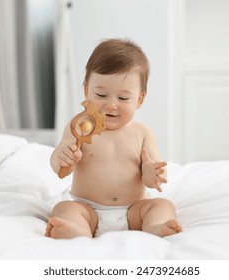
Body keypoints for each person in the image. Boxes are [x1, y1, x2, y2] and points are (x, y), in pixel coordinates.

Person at [45, 38, 182, 239]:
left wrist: (151, 174)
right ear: (86, 90)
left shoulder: (142, 133)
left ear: (140, 99)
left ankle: (157, 226)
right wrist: (62, 157)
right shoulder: (80, 128)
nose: (111, 105)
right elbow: (59, 169)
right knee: (65, 208)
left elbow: (152, 178)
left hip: (134, 210)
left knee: (162, 205)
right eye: (101, 95)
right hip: (88, 209)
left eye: (123, 98)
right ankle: (75, 230)